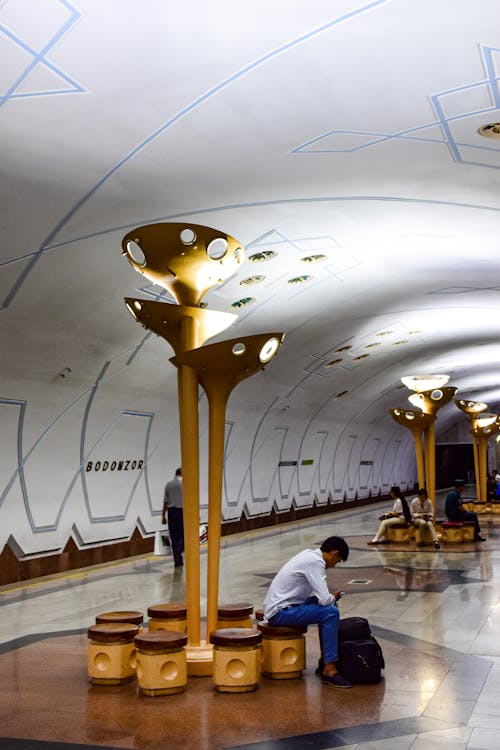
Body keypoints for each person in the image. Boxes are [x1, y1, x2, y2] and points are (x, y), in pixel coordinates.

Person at [263, 536, 352, 689]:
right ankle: (329, 669)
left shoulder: (309, 554)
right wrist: (332, 597)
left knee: (329, 607)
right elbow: (325, 600)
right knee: (330, 612)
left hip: (284, 606)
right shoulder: (316, 562)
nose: (334, 566)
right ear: (334, 553)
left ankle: (326, 660)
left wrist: (330, 598)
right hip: (280, 613)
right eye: (337, 561)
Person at [161, 467, 184, 566]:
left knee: (174, 536)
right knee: (184, 535)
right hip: (182, 512)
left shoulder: (168, 485)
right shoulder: (185, 484)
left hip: (171, 513)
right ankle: (178, 552)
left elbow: (165, 502)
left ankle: (177, 560)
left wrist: (163, 516)